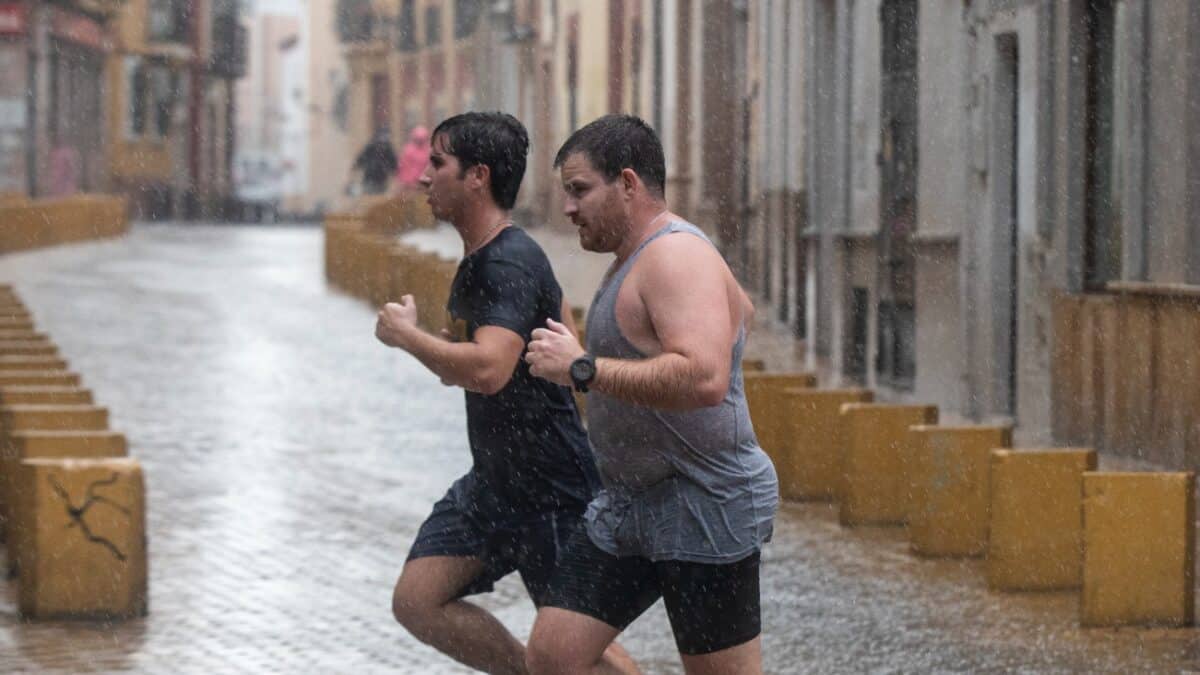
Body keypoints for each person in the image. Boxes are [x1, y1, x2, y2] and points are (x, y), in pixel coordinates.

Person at [374, 112, 636, 675]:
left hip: (551, 491)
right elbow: (490, 361)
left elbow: (490, 369)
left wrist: (408, 338)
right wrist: (440, 345)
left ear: (478, 177)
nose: (424, 176)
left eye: (438, 163)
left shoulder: (508, 260)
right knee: (418, 599)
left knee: (579, 653)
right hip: (495, 484)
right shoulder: (483, 258)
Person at [524, 114, 777, 675]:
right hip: (631, 506)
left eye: (580, 190)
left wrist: (584, 369)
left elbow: (706, 379)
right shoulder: (651, 254)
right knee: (554, 653)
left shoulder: (673, 255)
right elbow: (743, 312)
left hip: (703, 503)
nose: (568, 208)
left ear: (629, 184)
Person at [354, 129, 399, 194]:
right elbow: (362, 157)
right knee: (373, 196)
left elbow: (394, 164)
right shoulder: (374, 146)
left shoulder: (387, 149)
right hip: (373, 177)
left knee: (373, 197)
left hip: (377, 178)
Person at [394, 125, 432, 192]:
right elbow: (403, 167)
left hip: (421, 182)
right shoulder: (408, 150)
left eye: (421, 139)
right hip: (411, 183)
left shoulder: (428, 150)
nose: (420, 141)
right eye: (418, 139)